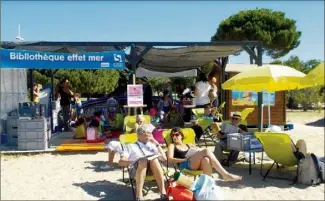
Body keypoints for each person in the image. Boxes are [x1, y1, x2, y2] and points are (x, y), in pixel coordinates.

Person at [167, 127, 242, 181]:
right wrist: (183, 160)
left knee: (206, 159)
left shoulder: (188, 144)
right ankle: (225, 174)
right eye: (172, 135)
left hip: (195, 162)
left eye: (176, 134)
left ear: (181, 136)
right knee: (206, 151)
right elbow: (170, 159)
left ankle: (208, 184)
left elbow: (199, 150)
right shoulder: (172, 145)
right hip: (184, 164)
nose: (174, 137)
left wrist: (197, 151)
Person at [118, 124, 168, 201]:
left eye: (150, 133)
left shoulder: (152, 145)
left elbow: (164, 158)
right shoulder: (130, 146)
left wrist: (156, 143)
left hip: (154, 168)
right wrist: (135, 160)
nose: (150, 135)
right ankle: (139, 195)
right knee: (143, 160)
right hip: (137, 170)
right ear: (139, 134)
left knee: (153, 159)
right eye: (147, 133)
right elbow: (121, 162)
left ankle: (163, 192)